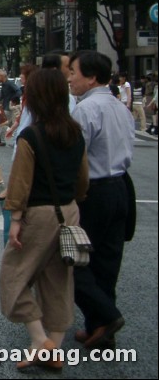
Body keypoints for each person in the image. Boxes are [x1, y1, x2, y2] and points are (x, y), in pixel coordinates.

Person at [0, 68, 89, 372]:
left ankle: (40, 341)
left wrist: (15, 219)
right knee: (59, 280)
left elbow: (20, 183)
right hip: (69, 211)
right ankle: (56, 348)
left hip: (38, 214)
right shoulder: (75, 132)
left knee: (13, 276)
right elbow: (83, 181)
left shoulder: (31, 135)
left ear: (36, 98)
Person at [69, 50, 135, 350]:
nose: (70, 79)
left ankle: (107, 317)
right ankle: (99, 330)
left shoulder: (86, 110)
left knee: (72, 259)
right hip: (121, 187)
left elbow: (76, 157)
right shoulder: (120, 107)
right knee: (108, 262)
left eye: (74, 73)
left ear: (92, 77)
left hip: (93, 191)